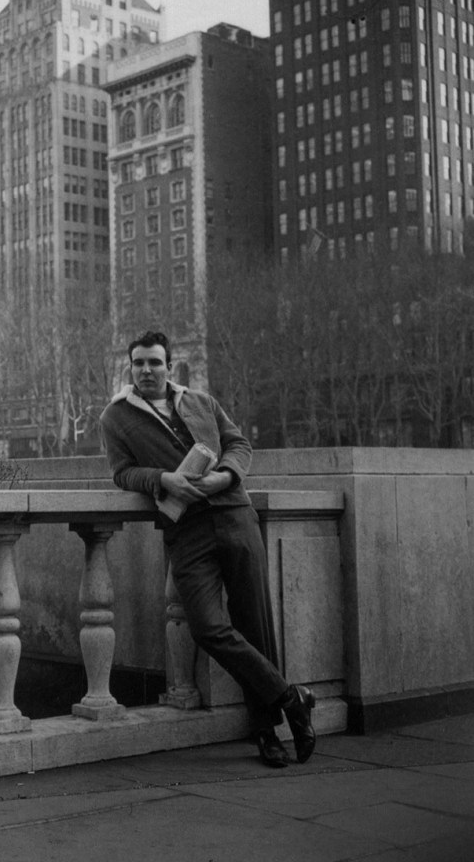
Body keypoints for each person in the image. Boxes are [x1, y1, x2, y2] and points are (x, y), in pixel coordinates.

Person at [99, 330, 316, 770]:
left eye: (155, 362)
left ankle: (267, 732)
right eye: (139, 363)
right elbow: (122, 474)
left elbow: (239, 444)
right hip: (187, 530)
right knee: (207, 627)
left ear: (169, 366)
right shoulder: (115, 417)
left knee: (255, 624)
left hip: (235, 516)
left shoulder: (201, 401)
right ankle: (292, 698)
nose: (146, 370)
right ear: (130, 367)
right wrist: (162, 479)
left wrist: (226, 476)